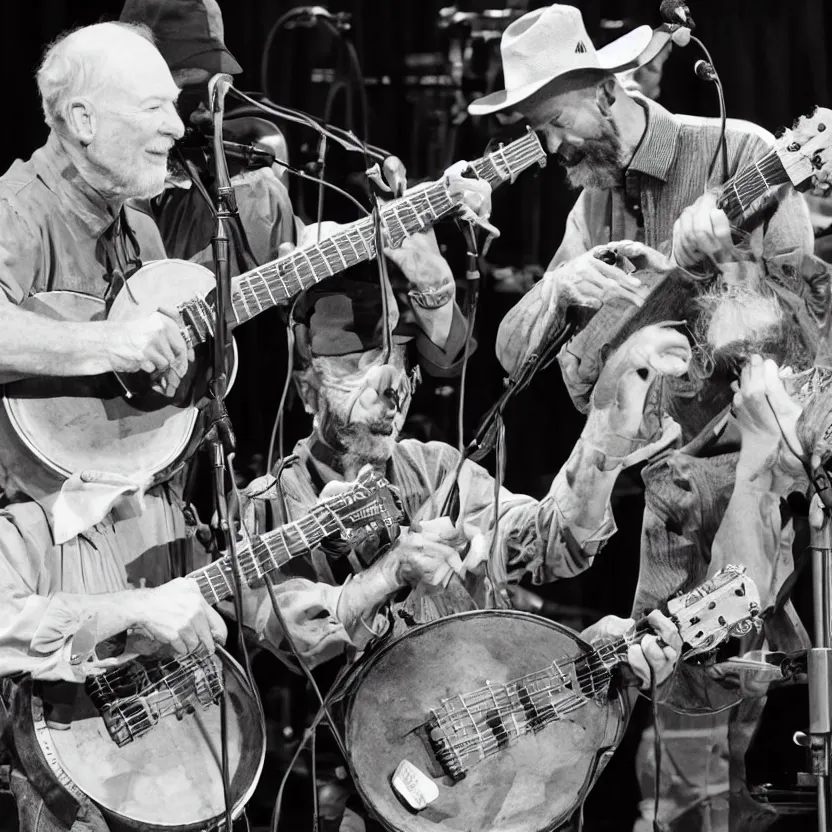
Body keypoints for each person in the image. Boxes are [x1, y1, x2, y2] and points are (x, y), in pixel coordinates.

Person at [234, 272, 688, 830]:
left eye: (400, 364)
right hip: (350, 800)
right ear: (305, 389)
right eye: (358, 366)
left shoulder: (435, 468)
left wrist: (605, 438)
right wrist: (387, 573)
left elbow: (549, 542)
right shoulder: (267, 507)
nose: (389, 384)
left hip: (486, 790)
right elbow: (292, 638)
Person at [469, 4, 813, 406]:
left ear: (605, 93)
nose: (551, 147)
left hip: (737, 454)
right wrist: (558, 288)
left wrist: (728, 266)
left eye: (558, 122)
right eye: (540, 131)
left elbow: (805, 341)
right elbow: (514, 357)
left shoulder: (744, 152)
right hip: (628, 455)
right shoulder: (591, 207)